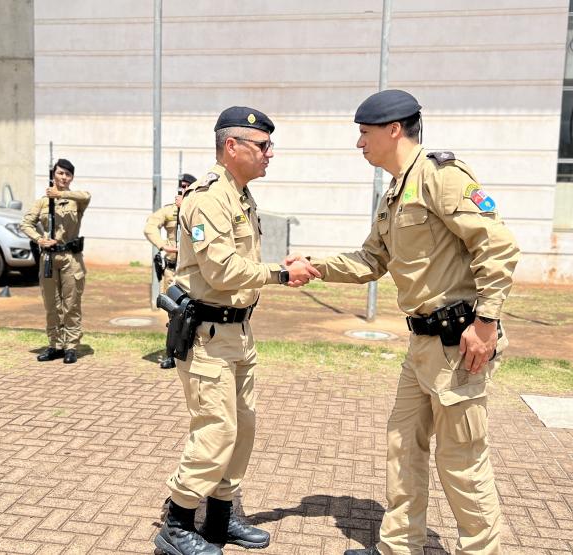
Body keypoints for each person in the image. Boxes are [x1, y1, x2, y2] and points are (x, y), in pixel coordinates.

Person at [301, 90, 520, 555]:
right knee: (402, 446)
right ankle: (399, 546)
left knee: (462, 461)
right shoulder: (394, 193)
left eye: (365, 133)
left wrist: (486, 323)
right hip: (421, 345)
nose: (360, 143)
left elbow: (498, 247)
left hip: (458, 344)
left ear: (394, 129)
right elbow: (371, 259)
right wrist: (314, 266)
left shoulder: (442, 176)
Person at [155, 106, 320, 555]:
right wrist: (282, 275)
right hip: (207, 334)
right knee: (216, 428)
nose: (270, 153)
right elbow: (222, 270)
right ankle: (177, 524)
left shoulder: (240, 195)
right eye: (263, 145)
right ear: (232, 146)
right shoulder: (209, 197)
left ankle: (220, 518)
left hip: (237, 331)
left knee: (242, 428)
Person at [19, 158, 91, 364]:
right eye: (60, 173)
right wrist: (39, 239)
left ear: (72, 178)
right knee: (52, 305)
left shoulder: (76, 200)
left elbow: (87, 195)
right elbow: (25, 224)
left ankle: (71, 346)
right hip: (49, 257)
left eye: (68, 174)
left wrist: (60, 194)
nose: (64, 177)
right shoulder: (42, 202)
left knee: (71, 304)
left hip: (71, 258)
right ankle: (55, 345)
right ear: (53, 175)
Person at [144, 172, 196, 369]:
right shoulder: (169, 210)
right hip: (173, 272)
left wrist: (187, 208)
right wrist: (163, 245)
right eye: (181, 186)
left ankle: (190, 352)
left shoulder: (198, 211)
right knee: (173, 313)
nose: (183, 189)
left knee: (192, 312)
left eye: (187, 186)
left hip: (192, 272)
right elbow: (150, 226)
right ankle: (170, 354)